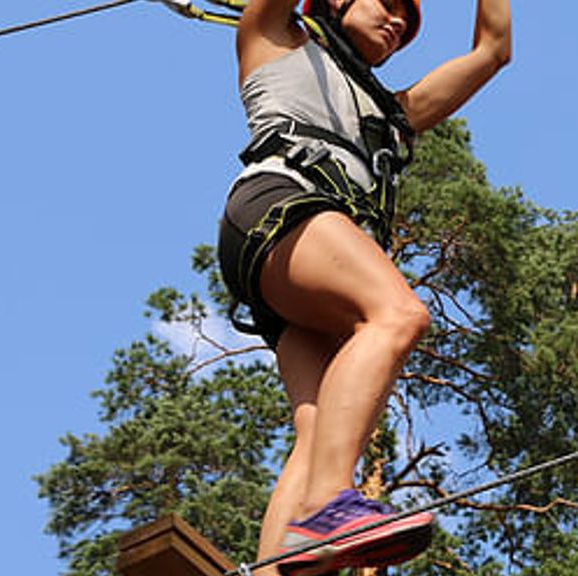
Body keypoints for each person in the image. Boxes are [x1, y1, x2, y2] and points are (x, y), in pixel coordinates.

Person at [218, 0, 510, 574]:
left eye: (407, 20)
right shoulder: (274, 34)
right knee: (398, 314)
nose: (398, 22)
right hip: (278, 209)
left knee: (319, 424)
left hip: (300, 260)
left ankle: (279, 566)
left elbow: (492, 50)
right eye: (388, 2)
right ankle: (330, 506)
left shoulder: (394, 114)